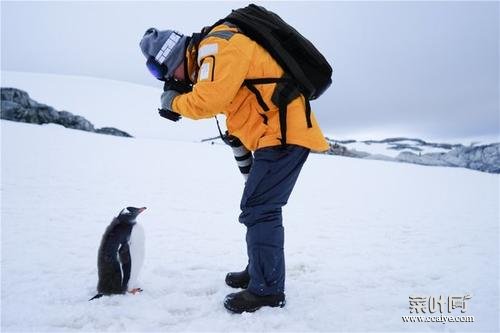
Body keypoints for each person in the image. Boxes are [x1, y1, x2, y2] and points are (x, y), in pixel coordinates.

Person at [139, 20, 329, 313]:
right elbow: (240, 104)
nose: (167, 79)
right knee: (258, 207)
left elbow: (208, 101)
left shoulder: (216, 47)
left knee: (259, 209)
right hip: (276, 136)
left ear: (173, 58)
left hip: (284, 135)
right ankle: (259, 270)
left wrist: (173, 102)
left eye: (160, 71)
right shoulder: (210, 59)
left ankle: (267, 291)